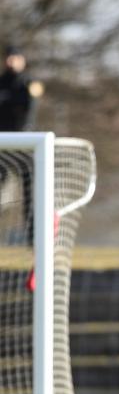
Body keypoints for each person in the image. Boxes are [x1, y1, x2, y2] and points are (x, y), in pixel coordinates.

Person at [0, 44, 41, 244]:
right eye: (8, 57)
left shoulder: (28, 83)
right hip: (2, 145)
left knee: (30, 190)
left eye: (14, 57)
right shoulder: (1, 83)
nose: (10, 61)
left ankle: (33, 236)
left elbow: (29, 113)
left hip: (24, 144)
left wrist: (23, 136)